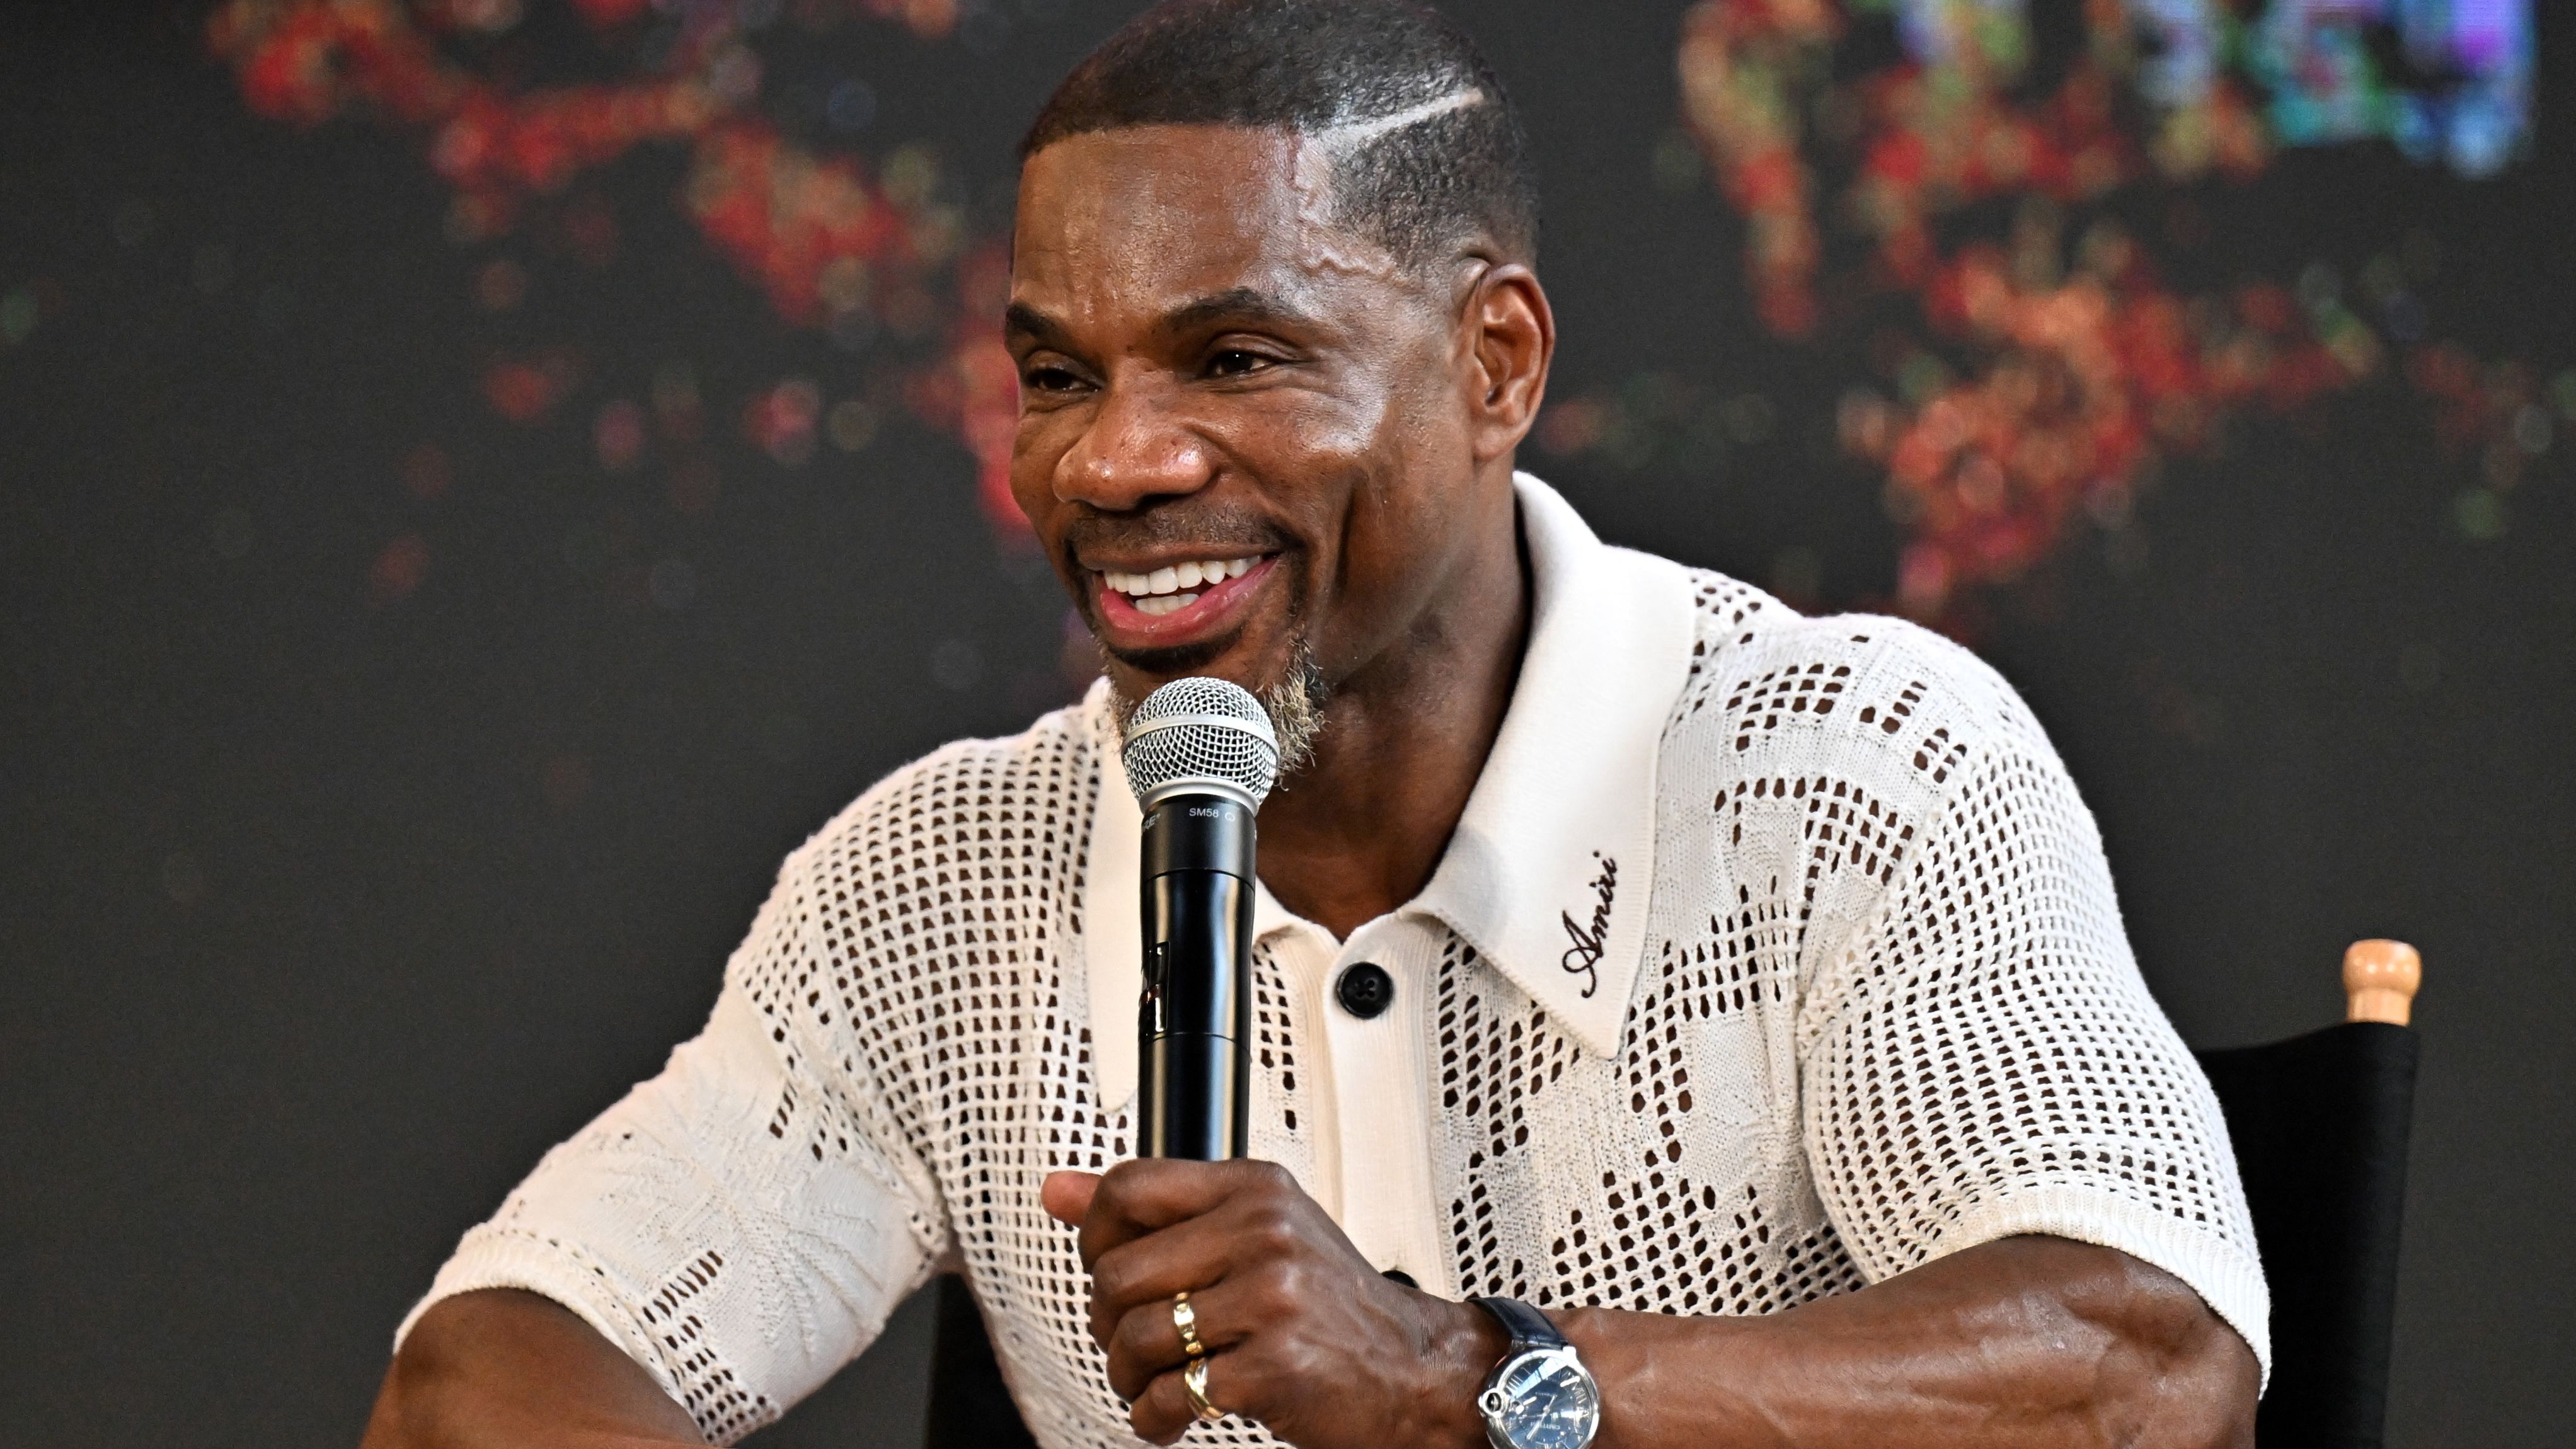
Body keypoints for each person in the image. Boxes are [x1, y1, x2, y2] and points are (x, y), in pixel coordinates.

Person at [360, 3, 2266, 1446]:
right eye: (1057, 375)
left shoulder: (1854, 768)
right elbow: (493, 1367)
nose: (1116, 459)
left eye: (1237, 356)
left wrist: (1461, 1376)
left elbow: (2150, 1366)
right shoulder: (945, 890)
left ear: (1495, 362)